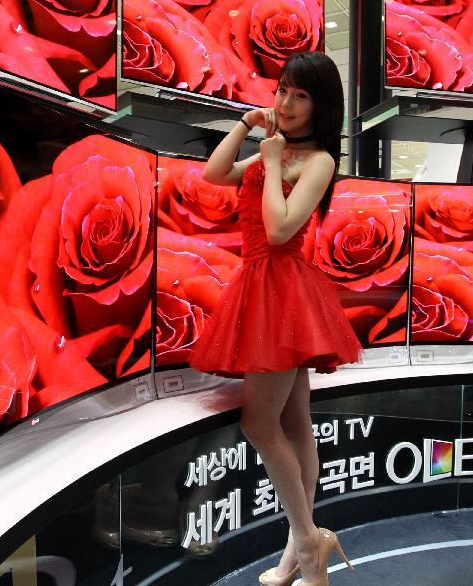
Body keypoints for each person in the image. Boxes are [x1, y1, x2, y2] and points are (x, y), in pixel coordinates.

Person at [188, 51, 362, 586]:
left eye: (301, 95)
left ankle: (307, 544)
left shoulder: (319, 162)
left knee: (259, 423)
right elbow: (213, 173)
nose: (286, 103)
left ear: (322, 105)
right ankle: (303, 547)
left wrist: (267, 163)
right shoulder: (275, 148)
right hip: (265, 288)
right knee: (293, 424)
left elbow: (282, 229)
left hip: (282, 288)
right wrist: (247, 124)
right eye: (282, 90)